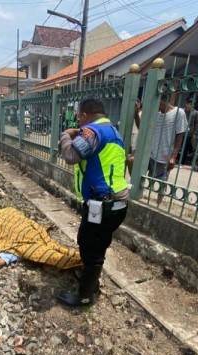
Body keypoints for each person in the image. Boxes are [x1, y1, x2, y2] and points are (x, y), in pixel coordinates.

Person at [57, 98, 129, 307]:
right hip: (116, 203)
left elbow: (71, 155)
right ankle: (91, 280)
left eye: (79, 118)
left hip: (103, 204)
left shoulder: (92, 132)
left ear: (85, 115)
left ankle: (85, 296)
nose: (78, 123)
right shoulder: (114, 132)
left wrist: (66, 135)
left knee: (91, 248)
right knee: (93, 242)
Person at [0, 199, 82, 274]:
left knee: (56, 248)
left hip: (15, 219)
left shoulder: (26, 248)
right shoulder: (26, 249)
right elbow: (4, 259)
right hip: (9, 220)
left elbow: (4, 259)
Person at [147, 94, 188, 187]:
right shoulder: (156, 114)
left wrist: (173, 157)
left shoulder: (179, 113)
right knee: (148, 181)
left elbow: (180, 136)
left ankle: (159, 201)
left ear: (162, 101)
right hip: (150, 154)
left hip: (164, 156)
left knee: (162, 184)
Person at [183, 98, 198, 163]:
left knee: (185, 147)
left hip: (189, 133)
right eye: (188, 104)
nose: (189, 105)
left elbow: (197, 123)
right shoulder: (183, 111)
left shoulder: (195, 112)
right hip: (181, 131)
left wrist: (195, 133)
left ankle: (182, 162)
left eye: (191, 104)